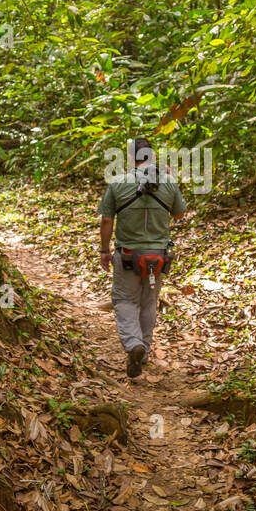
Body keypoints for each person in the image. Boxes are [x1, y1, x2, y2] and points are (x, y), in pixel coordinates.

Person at [98, 138, 186, 378]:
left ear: (129, 158)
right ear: (152, 156)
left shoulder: (117, 183)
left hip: (128, 255)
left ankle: (133, 343)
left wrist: (104, 251)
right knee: (149, 302)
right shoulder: (167, 182)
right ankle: (143, 351)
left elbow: (107, 220)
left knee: (125, 300)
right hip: (159, 256)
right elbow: (179, 214)